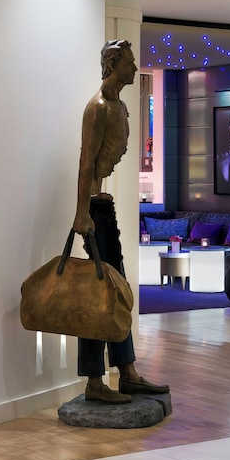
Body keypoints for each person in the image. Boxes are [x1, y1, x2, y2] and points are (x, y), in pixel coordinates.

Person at [73, 39, 169, 404]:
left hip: (102, 206)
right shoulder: (98, 108)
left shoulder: (119, 107)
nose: (134, 68)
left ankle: (126, 371)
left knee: (117, 290)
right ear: (113, 65)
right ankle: (95, 380)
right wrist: (82, 213)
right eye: (129, 62)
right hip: (93, 209)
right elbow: (86, 161)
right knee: (99, 293)